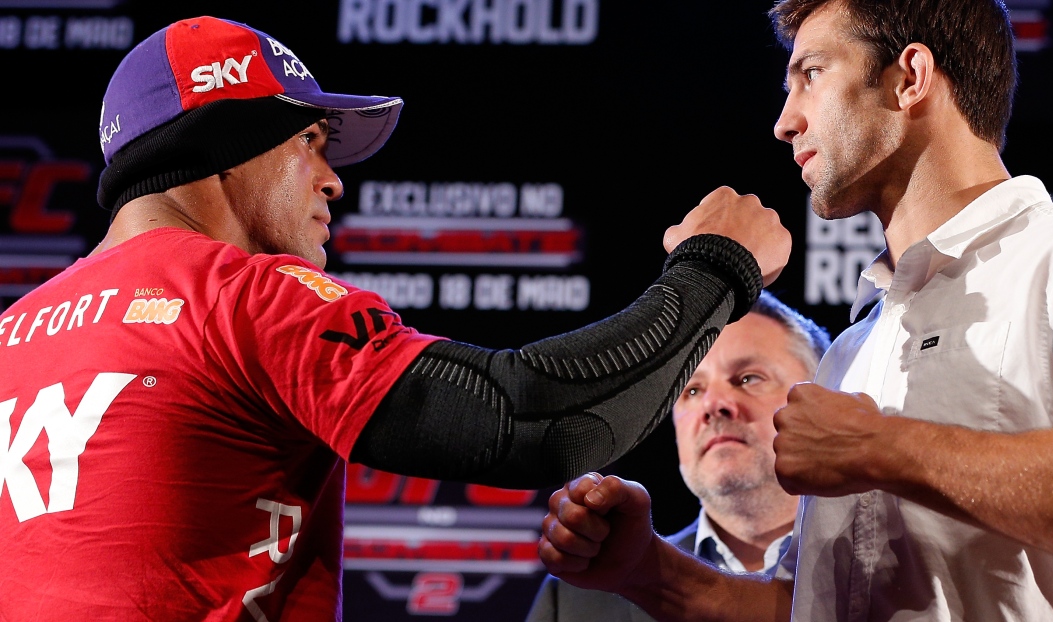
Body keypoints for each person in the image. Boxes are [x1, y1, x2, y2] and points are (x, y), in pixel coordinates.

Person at [0, 16, 792, 621]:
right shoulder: (239, 294)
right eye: (308, 141)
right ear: (227, 149)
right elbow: (543, 420)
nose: (331, 181)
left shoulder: (15, 332)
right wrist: (714, 265)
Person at [538, 0, 1053, 620]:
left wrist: (883, 446)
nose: (784, 122)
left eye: (811, 74)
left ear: (910, 78)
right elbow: (808, 609)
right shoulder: (853, 350)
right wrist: (646, 570)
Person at [527, 292, 829, 621]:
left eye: (748, 378)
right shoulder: (578, 600)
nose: (712, 404)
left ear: (823, 398)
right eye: (692, 390)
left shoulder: (881, 573)